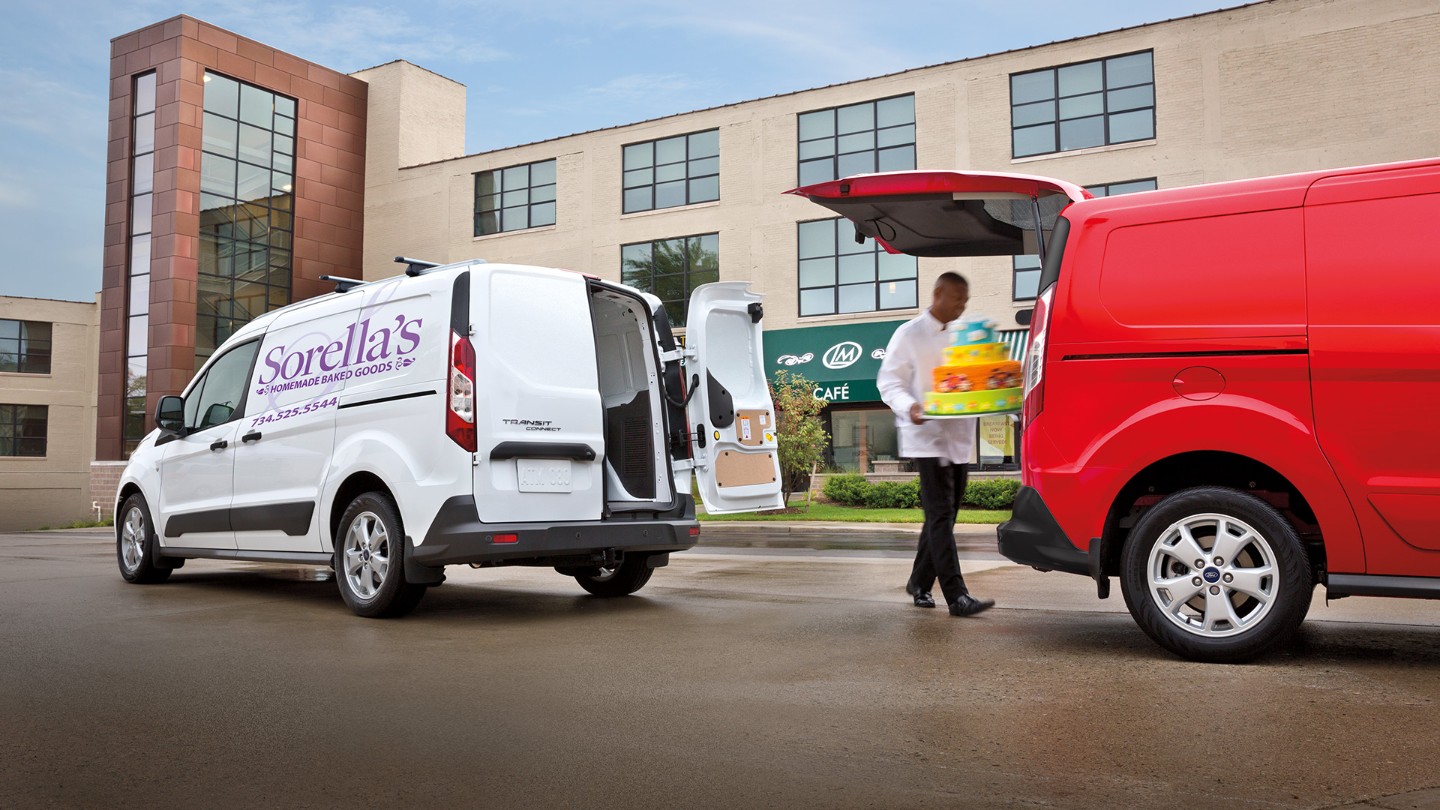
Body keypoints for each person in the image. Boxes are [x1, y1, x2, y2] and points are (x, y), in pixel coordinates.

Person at [876, 272, 995, 618]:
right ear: (938, 293)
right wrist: (908, 406)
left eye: (966, 300)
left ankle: (919, 582)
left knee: (944, 516)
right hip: (925, 438)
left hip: (958, 437)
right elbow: (889, 382)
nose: (962, 305)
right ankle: (957, 596)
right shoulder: (909, 334)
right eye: (958, 298)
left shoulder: (961, 337)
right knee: (940, 515)